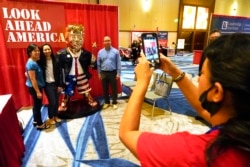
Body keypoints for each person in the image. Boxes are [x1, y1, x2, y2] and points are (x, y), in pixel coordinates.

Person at [119, 33, 250, 166]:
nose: (198, 79)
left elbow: (127, 133)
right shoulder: (240, 126)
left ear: (216, 92)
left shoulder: (198, 153)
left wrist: (141, 81)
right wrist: (174, 71)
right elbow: (202, 109)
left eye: (202, 73)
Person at [57, 24, 99, 116]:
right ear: (67, 38)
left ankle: (89, 99)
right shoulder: (61, 54)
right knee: (67, 91)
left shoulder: (87, 54)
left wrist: (93, 62)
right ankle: (64, 103)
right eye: (73, 37)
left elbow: (94, 67)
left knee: (85, 89)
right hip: (69, 76)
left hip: (81, 75)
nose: (77, 40)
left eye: (80, 37)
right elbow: (58, 69)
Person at [25, 44, 50, 130]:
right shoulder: (31, 63)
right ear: (30, 52)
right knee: (37, 106)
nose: (37, 52)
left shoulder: (34, 61)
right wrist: (38, 91)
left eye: (38, 50)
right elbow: (33, 79)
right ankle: (39, 124)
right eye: (35, 51)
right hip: (35, 88)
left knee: (36, 105)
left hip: (35, 87)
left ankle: (35, 120)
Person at [39, 43, 62, 125]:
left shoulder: (56, 59)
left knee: (57, 101)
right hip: (47, 84)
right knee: (52, 102)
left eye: (48, 49)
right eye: (45, 50)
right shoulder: (40, 61)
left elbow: (59, 73)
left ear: (51, 50)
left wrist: (60, 85)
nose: (47, 51)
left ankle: (56, 116)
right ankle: (51, 117)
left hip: (56, 83)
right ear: (42, 51)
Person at [97, 36, 121, 110]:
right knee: (105, 89)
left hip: (113, 72)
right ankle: (107, 102)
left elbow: (118, 63)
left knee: (114, 88)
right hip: (103, 73)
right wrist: (99, 73)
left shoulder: (116, 51)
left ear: (110, 41)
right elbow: (98, 64)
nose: (107, 42)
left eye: (108, 40)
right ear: (103, 42)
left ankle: (114, 102)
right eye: (105, 41)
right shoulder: (100, 52)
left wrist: (118, 73)